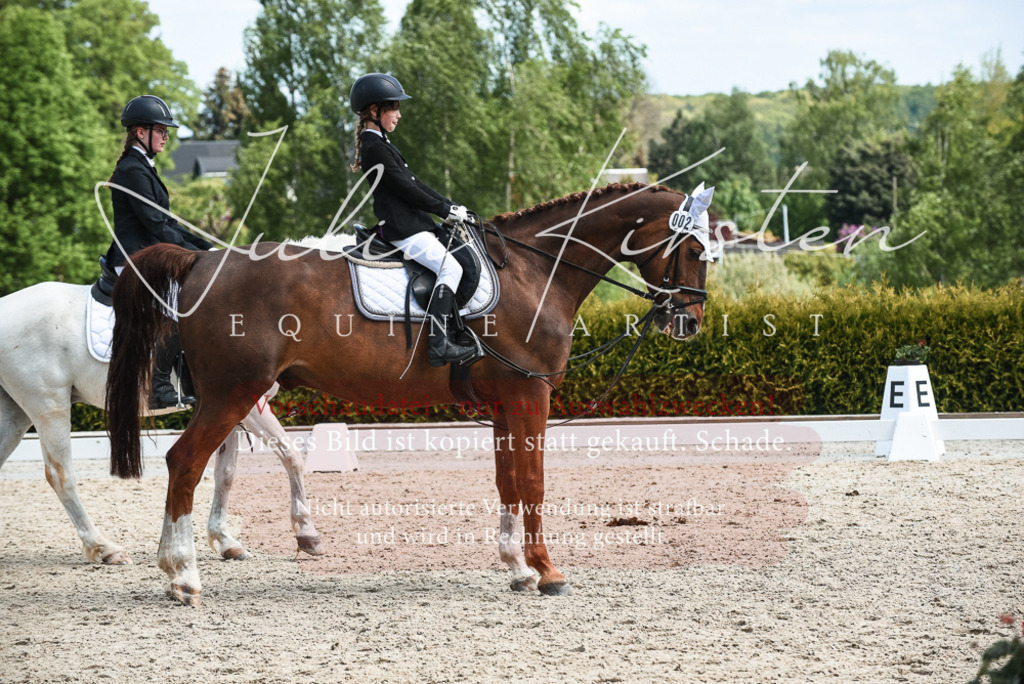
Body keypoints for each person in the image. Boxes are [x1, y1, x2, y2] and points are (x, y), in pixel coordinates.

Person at [349, 73, 482, 367]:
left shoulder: (381, 143)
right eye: (393, 108)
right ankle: (439, 344)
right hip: (404, 229)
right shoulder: (375, 148)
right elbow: (407, 190)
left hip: (414, 224)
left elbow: (416, 183)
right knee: (451, 267)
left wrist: (449, 206)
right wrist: (444, 210)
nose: (398, 114)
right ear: (374, 111)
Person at [105, 94, 213, 409]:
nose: (167, 137)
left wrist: (207, 247)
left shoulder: (144, 166)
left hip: (149, 253)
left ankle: (188, 378)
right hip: (134, 260)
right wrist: (196, 255)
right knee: (181, 309)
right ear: (141, 133)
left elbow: (169, 223)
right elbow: (154, 225)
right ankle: (159, 385)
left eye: (167, 131)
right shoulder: (132, 170)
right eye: (162, 130)